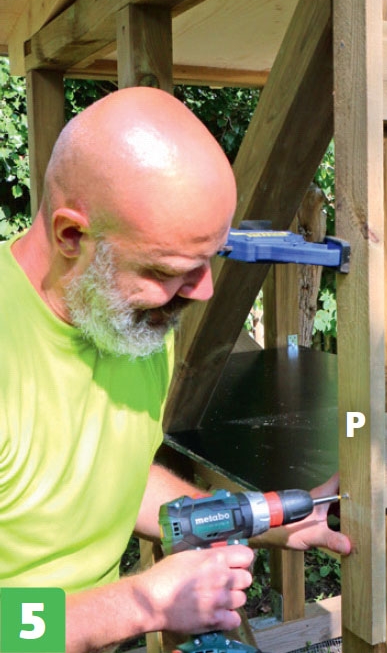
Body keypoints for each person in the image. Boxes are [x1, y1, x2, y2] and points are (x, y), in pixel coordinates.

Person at [0, 87, 350, 653]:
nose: (202, 291)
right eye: (168, 270)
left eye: (209, 260)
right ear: (71, 236)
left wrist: (266, 518)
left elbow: (110, 476)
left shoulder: (128, 322)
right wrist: (144, 603)